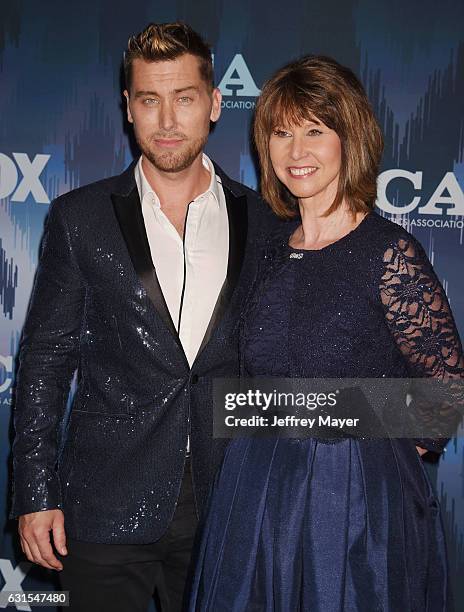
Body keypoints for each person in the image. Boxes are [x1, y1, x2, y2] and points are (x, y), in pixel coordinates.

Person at [10, 22, 275, 612]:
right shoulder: (80, 217)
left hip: (224, 502)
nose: (167, 120)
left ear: (213, 103)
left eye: (183, 98)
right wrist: (34, 492)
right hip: (105, 502)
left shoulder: (263, 221)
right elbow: (45, 363)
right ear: (128, 108)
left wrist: (397, 413)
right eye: (149, 100)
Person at [188, 55, 464, 611]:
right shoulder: (267, 250)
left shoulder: (389, 254)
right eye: (281, 133)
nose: (296, 151)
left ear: (349, 137)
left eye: (315, 130)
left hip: (354, 506)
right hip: (254, 496)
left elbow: (446, 398)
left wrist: (359, 454)